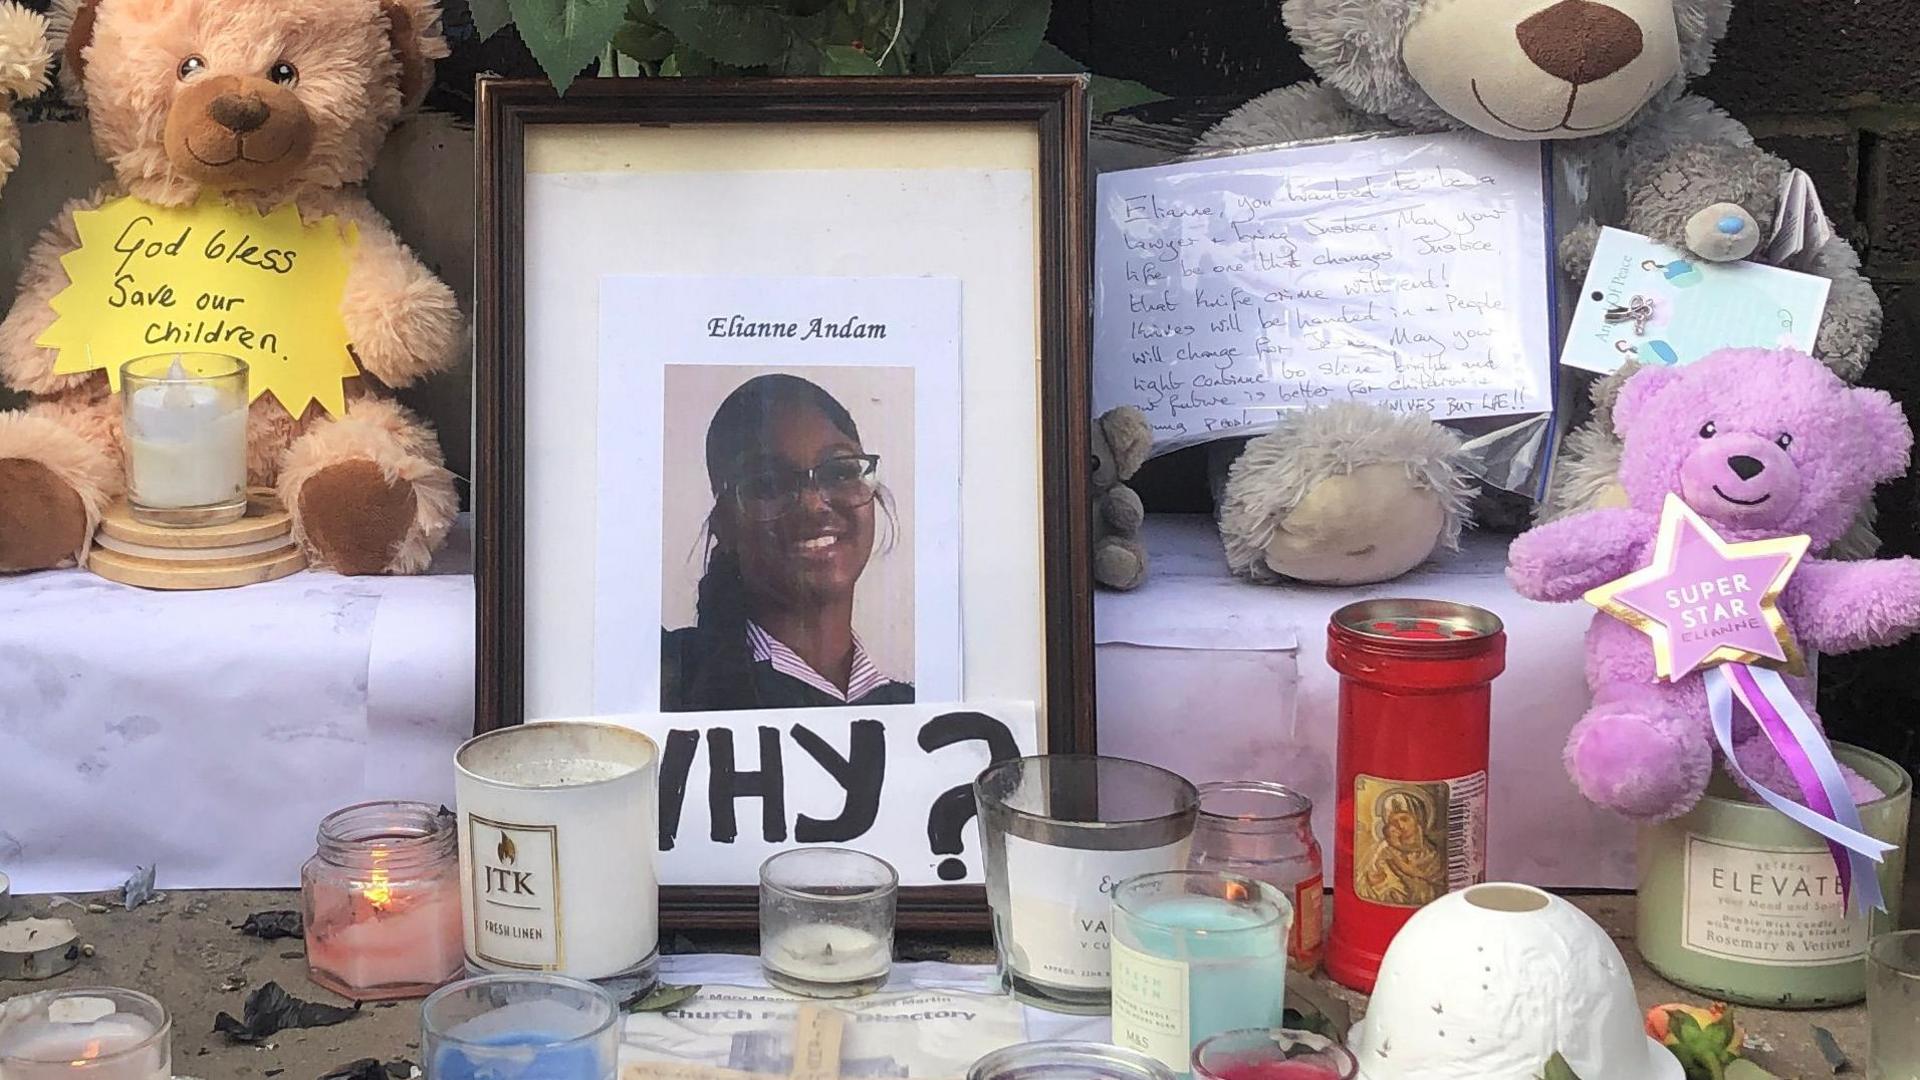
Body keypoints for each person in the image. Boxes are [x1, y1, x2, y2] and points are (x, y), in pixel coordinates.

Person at [663, 373, 913, 711]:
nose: (813, 504)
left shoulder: (922, 713)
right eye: (768, 484)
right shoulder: (669, 681)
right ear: (725, 522)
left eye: (839, 472)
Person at [1358, 788, 1447, 906]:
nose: (1399, 825)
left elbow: (1439, 888)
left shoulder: (1431, 855)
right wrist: (1375, 875)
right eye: (1394, 821)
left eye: (1404, 819)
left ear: (1418, 820)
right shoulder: (1384, 849)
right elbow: (1366, 882)